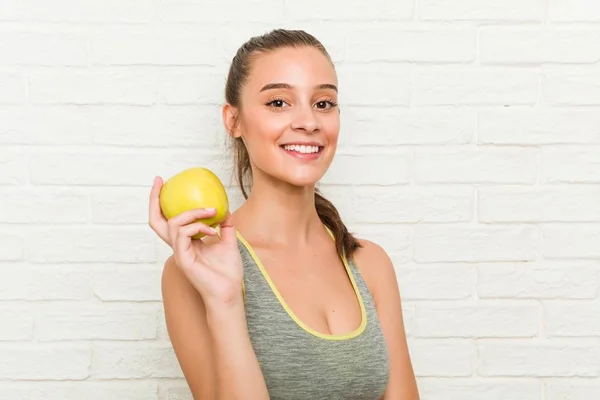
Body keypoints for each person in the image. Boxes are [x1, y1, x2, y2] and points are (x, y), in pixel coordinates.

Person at [149, 28, 419, 400]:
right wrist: (225, 302)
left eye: (323, 103)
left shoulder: (370, 263)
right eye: (279, 102)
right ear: (233, 120)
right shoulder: (196, 270)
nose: (309, 122)